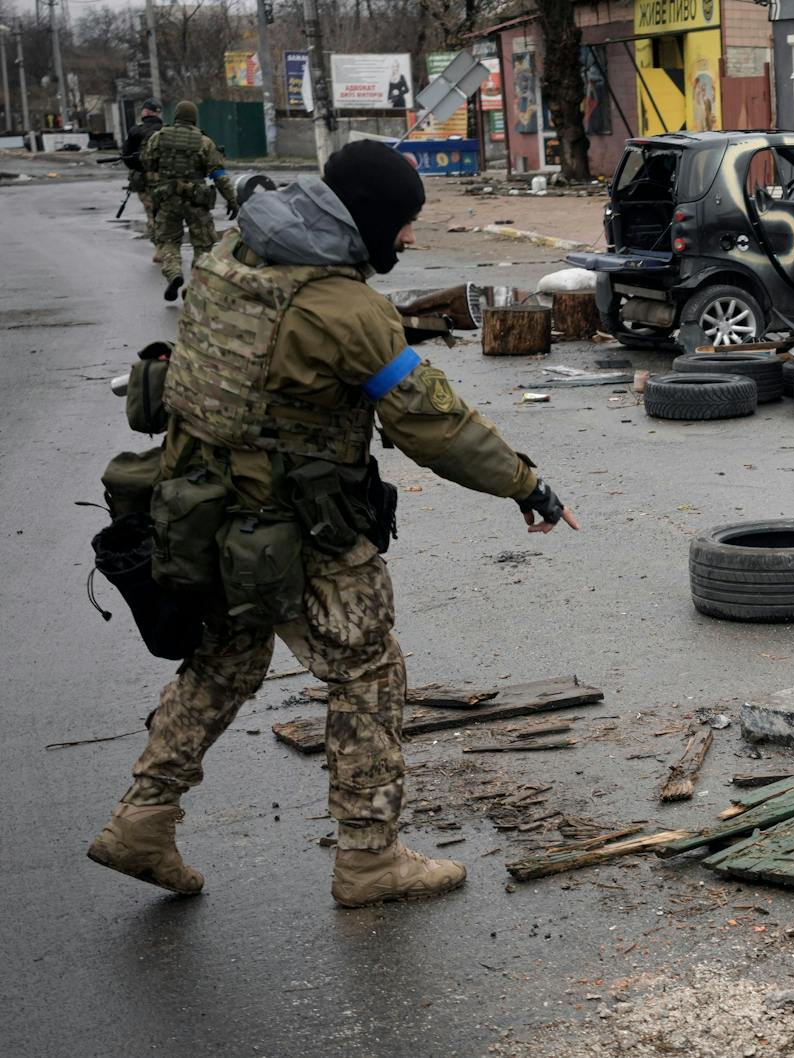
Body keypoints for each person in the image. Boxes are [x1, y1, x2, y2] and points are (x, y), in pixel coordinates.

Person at [87, 141, 581, 908]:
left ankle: (141, 821)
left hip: (195, 509)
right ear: (370, 220)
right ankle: (369, 858)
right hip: (296, 529)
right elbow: (432, 424)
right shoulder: (346, 310)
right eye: (405, 224)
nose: (411, 239)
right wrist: (526, 484)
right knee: (369, 672)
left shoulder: (233, 252)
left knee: (223, 663)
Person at [140, 100, 239, 302]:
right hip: (196, 200)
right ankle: (195, 283)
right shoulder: (205, 142)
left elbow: (147, 163)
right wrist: (232, 200)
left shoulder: (158, 138)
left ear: (175, 116)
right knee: (203, 245)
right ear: (194, 117)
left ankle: (174, 273)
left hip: (168, 199)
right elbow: (219, 175)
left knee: (168, 242)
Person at [119, 99, 165, 261]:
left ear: (145, 112)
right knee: (166, 213)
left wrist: (140, 164)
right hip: (166, 180)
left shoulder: (135, 131)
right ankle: (170, 247)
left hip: (144, 180)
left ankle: (160, 248)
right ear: (158, 113)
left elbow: (126, 157)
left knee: (151, 214)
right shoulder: (167, 130)